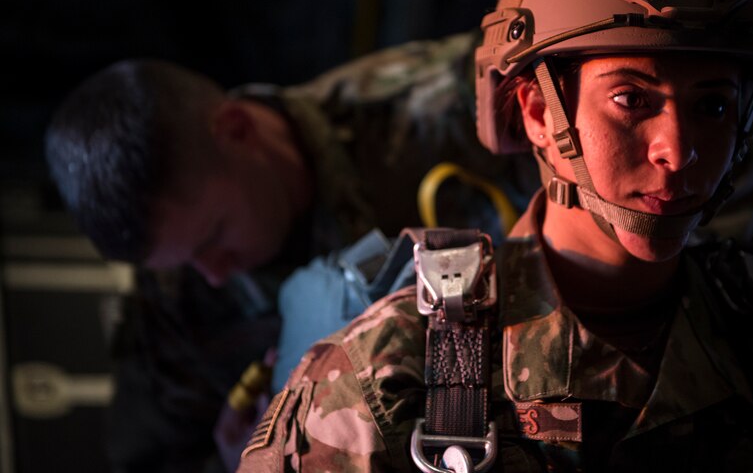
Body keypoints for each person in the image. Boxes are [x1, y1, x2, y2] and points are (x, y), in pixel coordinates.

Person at [237, 0, 753, 472]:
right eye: (631, 99)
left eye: (713, 106)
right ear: (538, 113)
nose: (677, 148)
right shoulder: (394, 375)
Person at [44, 44, 537, 472]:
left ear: (236, 129)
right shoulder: (176, 311)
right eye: (185, 262)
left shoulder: (436, 105)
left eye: (214, 237)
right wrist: (238, 463)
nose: (214, 275)